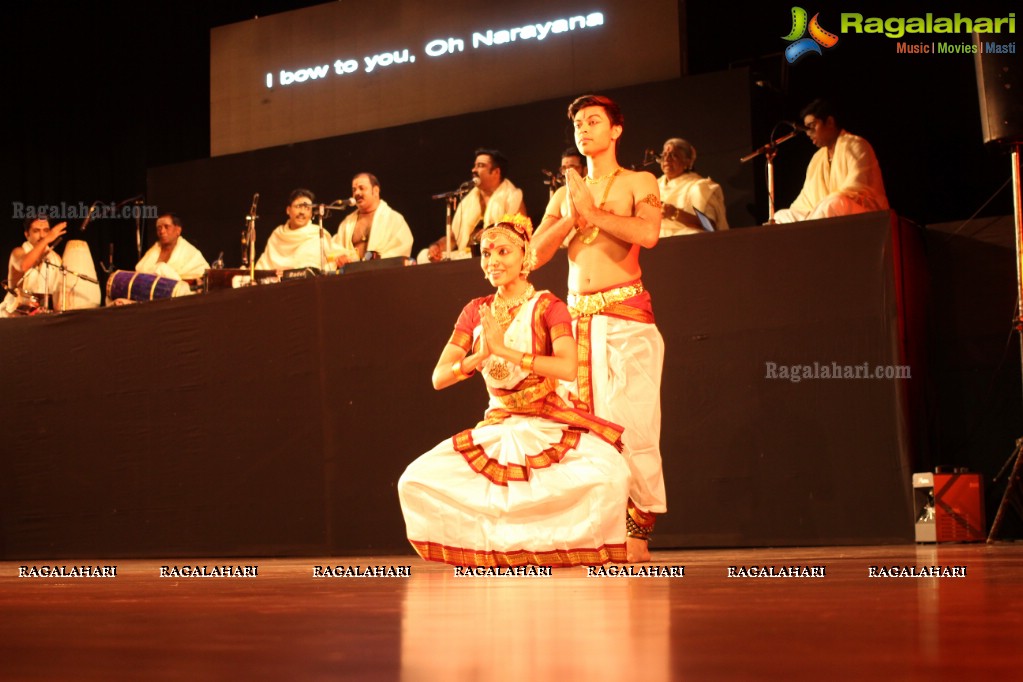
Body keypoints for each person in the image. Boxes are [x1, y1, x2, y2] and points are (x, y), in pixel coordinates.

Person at [399, 214, 630, 567]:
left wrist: (506, 352)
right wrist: (479, 355)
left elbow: (567, 366)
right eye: (486, 253)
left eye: (503, 252)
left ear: (526, 257)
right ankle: (507, 551)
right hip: (500, 425)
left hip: (546, 420)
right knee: (415, 481)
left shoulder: (548, 307)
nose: (493, 261)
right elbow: (439, 377)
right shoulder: (476, 311)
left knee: (612, 475)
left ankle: (543, 550)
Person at [532, 94, 666, 563]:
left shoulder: (639, 181)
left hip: (625, 318)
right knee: (575, 429)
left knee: (632, 426)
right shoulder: (563, 196)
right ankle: (591, 529)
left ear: (616, 131)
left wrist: (592, 214)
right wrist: (572, 212)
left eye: (594, 121)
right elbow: (533, 255)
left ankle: (637, 531)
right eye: (578, 125)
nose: (584, 130)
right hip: (575, 322)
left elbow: (648, 234)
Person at [774, 99, 888, 223]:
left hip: (863, 211)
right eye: (806, 129)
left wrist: (822, 205)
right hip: (822, 213)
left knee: (833, 203)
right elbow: (806, 199)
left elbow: (857, 188)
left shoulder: (856, 145)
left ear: (829, 122)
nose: (808, 133)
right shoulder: (817, 159)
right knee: (780, 217)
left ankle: (810, 235)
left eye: (811, 126)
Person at [422, 149, 526, 262]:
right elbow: (452, 238)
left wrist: (491, 233)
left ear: (496, 172)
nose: (473, 170)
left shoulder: (512, 197)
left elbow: (520, 233)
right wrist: (437, 247)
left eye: (480, 166)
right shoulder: (468, 200)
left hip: (495, 255)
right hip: (465, 256)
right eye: (474, 165)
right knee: (423, 256)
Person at [332, 173, 413, 267]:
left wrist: (376, 262)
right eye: (354, 190)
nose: (357, 193)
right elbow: (334, 249)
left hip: (383, 276)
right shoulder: (347, 223)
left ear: (375, 191)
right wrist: (340, 257)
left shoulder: (394, 219)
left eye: (362, 188)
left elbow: (401, 250)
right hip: (352, 277)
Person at [658, 138, 729, 235]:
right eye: (665, 154)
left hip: (684, 242)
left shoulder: (700, 187)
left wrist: (675, 213)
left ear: (687, 162)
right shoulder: (653, 185)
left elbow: (709, 227)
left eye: (674, 155)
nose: (667, 158)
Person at [1, 216, 66, 317]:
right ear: (27, 234)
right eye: (36, 231)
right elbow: (24, 265)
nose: (42, 235)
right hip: (12, 316)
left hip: (42, 318)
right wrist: (47, 240)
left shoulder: (56, 259)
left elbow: (59, 294)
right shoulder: (18, 253)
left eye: (46, 231)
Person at [255, 189, 332, 271]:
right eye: (298, 206)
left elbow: (328, 262)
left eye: (307, 208)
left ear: (311, 213)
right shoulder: (278, 234)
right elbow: (263, 266)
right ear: (288, 210)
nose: (302, 212)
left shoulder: (318, 234)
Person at [135, 212, 210, 283]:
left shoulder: (192, 254)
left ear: (178, 230)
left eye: (166, 227)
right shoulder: (153, 250)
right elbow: (139, 271)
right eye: (159, 228)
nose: (162, 231)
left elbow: (204, 277)